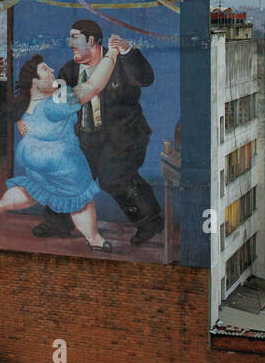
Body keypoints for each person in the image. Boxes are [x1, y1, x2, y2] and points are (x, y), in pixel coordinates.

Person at [25, 21, 163, 247]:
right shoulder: (69, 70)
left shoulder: (120, 62)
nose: (70, 44)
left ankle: (150, 222)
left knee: (113, 177)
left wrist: (128, 51)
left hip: (123, 137)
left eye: (74, 38)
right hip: (86, 138)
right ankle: (58, 223)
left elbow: (145, 79)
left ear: (91, 41)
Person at [0, 44, 122, 252]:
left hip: (31, 158)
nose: (51, 70)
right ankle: (93, 238)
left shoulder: (25, 105)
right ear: (35, 83)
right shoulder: (55, 103)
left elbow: (29, 119)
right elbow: (93, 86)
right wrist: (112, 53)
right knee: (80, 197)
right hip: (60, 161)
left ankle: (1, 205)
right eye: (45, 70)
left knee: (33, 189)